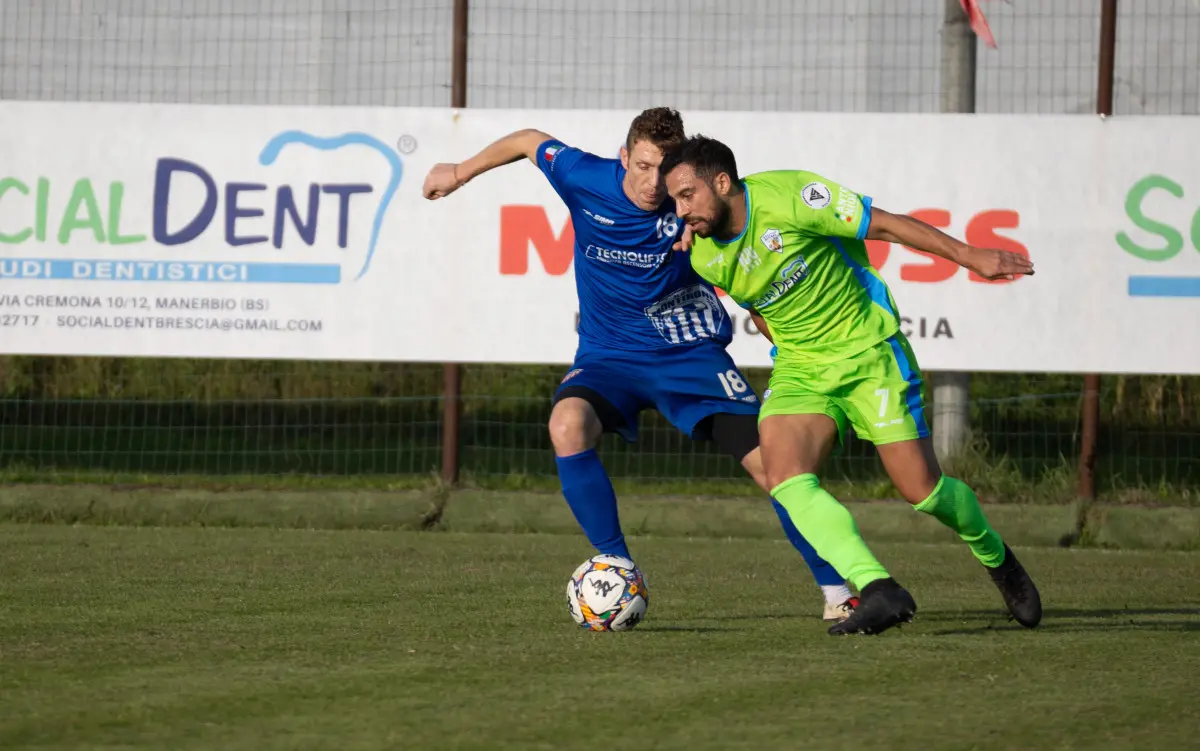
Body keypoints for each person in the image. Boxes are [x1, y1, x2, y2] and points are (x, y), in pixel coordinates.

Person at [422, 108, 859, 621]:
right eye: (644, 166)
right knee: (566, 425)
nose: (654, 183)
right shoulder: (584, 177)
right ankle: (618, 568)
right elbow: (527, 140)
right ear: (624, 157)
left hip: (690, 356)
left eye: (665, 170)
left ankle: (838, 591)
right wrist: (459, 172)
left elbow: (748, 257)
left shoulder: (692, 203)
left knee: (776, 469)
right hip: (608, 357)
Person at [660, 134, 1043, 636]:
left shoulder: (791, 196)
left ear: (722, 181)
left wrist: (969, 255)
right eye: (674, 200)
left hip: (868, 354)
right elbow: (758, 306)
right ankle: (878, 587)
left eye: (687, 195)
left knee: (923, 491)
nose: (680, 210)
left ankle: (997, 557)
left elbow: (885, 224)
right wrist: (792, 353)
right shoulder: (704, 255)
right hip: (801, 368)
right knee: (784, 477)